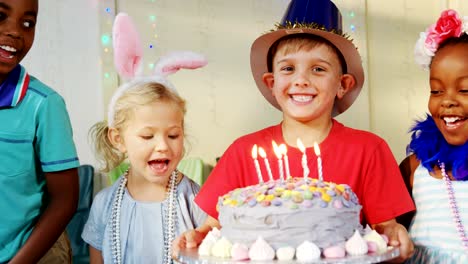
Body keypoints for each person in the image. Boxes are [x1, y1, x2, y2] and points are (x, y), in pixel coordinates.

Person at [173, 0, 415, 262]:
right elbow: (213, 229)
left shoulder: (369, 150)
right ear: (271, 82)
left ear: (343, 84)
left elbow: (383, 231)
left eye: (318, 69)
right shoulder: (243, 152)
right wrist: (199, 236)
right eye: (288, 68)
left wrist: (393, 234)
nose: (301, 80)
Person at [81, 13, 207, 264]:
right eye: (147, 136)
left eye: (173, 135)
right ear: (118, 139)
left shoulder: (194, 199)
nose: (162, 146)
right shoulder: (104, 203)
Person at [0, 0, 80, 263]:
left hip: (29, 254)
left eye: (28, 23)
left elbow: (65, 201)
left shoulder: (44, 105)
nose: (15, 31)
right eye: (1, 16)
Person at [399, 9, 468, 263]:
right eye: (436, 91)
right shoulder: (415, 166)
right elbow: (388, 233)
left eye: (465, 89)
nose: (447, 101)